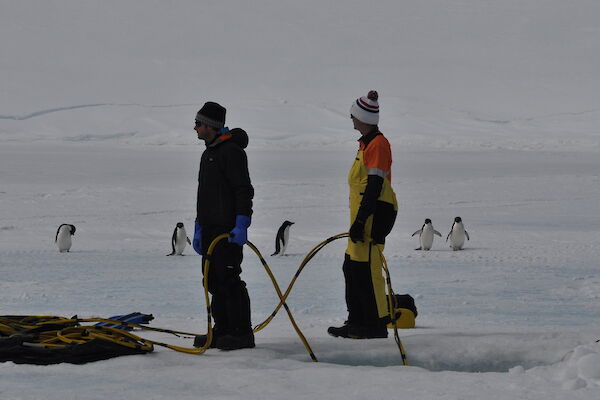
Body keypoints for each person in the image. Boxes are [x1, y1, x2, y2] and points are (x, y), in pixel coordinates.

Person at [328, 90, 398, 339]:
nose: (351, 120)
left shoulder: (378, 144)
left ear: (363, 118)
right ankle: (356, 320)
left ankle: (374, 324)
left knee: (368, 271)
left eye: (353, 116)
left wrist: (361, 221)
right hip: (360, 219)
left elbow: (374, 186)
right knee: (352, 269)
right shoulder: (365, 144)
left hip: (372, 217)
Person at [191, 101, 255, 350]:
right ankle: (223, 329)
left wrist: (241, 223)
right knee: (212, 281)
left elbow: (243, 190)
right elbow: (204, 194)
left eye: (198, 123)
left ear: (210, 126)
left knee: (229, 279)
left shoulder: (231, 152)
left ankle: (241, 333)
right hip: (209, 230)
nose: (195, 128)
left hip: (226, 232)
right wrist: (198, 226)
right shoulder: (209, 153)